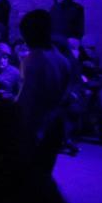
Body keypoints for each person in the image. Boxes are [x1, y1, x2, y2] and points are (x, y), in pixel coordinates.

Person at [16, 10, 75, 174]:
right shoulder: (61, 59)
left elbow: (28, 102)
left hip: (35, 128)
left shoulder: (33, 60)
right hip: (55, 125)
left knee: (30, 176)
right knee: (43, 174)